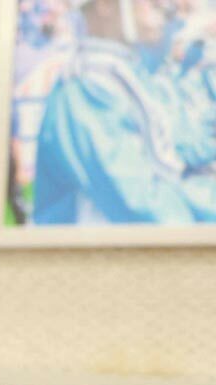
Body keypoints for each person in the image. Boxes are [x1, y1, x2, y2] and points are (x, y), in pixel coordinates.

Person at [34, 0, 216, 223]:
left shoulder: (129, 75)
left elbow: (186, 149)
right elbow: (149, 208)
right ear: (104, 5)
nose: (164, 6)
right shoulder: (86, 90)